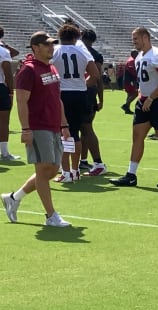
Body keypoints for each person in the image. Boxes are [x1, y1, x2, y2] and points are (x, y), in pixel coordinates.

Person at [2, 31, 72, 227]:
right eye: (47, 44)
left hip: (53, 125)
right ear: (36, 47)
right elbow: (21, 101)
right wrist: (25, 129)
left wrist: (64, 123)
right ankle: (51, 216)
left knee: (52, 169)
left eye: (52, 44)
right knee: (43, 170)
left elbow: (57, 99)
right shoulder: (28, 70)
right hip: (38, 126)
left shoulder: (51, 68)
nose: (52, 47)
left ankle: (14, 198)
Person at [109, 27, 158, 188]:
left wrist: (152, 98)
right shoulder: (140, 56)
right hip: (144, 100)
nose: (134, 42)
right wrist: (142, 95)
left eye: (136, 39)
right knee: (137, 136)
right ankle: (131, 175)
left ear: (145, 37)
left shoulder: (157, 55)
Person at [51, 23, 100, 183]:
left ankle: (65, 172)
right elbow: (95, 74)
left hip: (62, 94)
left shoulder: (55, 51)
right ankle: (75, 170)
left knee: (63, 134)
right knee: (75, 134)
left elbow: (48, 74)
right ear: (76, 37)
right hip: (79, 95)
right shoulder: (81, 50)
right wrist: (82, 85)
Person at [79, 28, 107, 176]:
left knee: (80, 128)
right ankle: (83, 160)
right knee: (86, 128)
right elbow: (99, 79)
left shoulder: (79, 51)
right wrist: (101, 99)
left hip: (79, 91)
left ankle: (78, 162)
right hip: (91, 93)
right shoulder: (96, 54)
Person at [0, 26, 19, 161]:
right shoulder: (3, 51)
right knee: (3, 121)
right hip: (0, 87)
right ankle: (5, 153)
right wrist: (11, 93)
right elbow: (8, 74)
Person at [121, 50, 139, 114]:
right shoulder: (132, 61)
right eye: (137, 54)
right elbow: (133, 71)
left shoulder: (130, 59)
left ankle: (127, 109)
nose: (138, 55)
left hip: (127, 80)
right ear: (134, 54)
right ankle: (126, 105)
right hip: (130, 80)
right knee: (136, 93)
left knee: (129, 94)